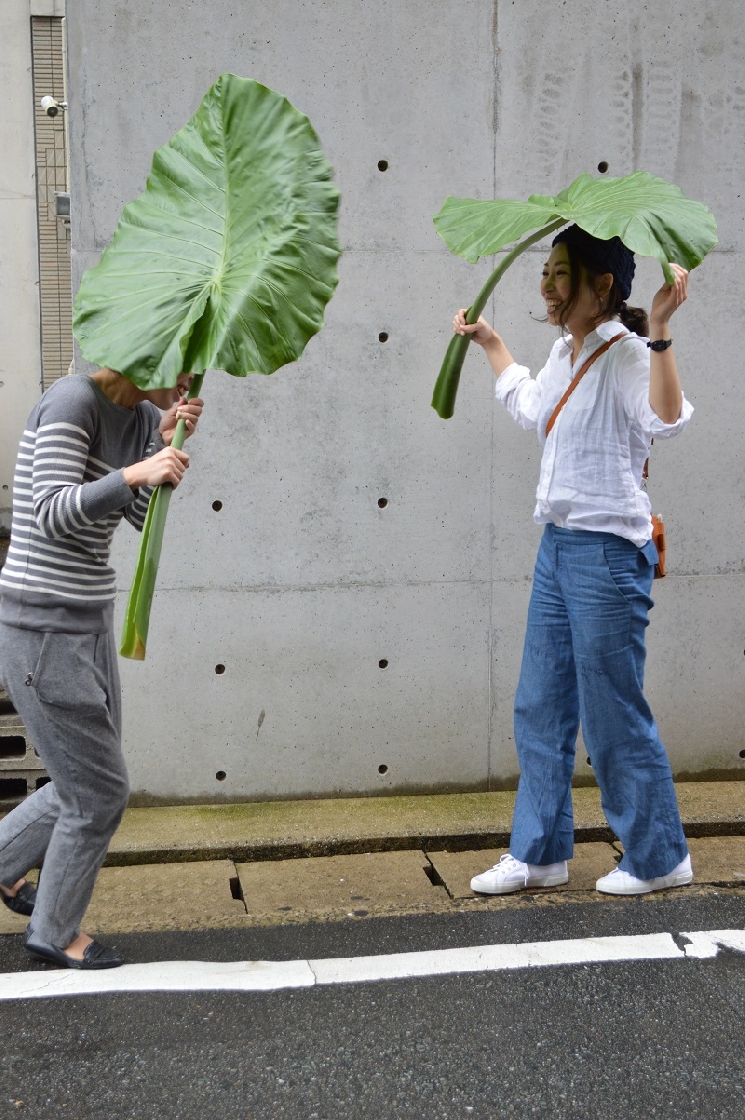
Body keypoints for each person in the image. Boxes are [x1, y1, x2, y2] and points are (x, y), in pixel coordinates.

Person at [453, 224, 693, 897]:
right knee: (540, 704)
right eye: (546, 272)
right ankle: (539, 853)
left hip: (608, 554)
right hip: (557, 548)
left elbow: (666, 419)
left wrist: (664, 328)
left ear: (602, 286)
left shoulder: (626, 354)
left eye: (561, 274)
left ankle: (657, 855)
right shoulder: (566, 351)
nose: (547, 287)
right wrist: (492, 344)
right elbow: (532, 407)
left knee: (611, 709)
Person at [0, 365, 203, 967]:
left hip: (88, 619)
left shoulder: (140, 415)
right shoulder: (73, 401)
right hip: (44, 626)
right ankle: (54, 931)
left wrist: (165, 446)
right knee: (100, 791)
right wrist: (139, 469)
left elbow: (135, 518)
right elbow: (51, 513)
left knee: (81, 778)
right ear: (151, 355)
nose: (191, 387)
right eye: (186, 371)